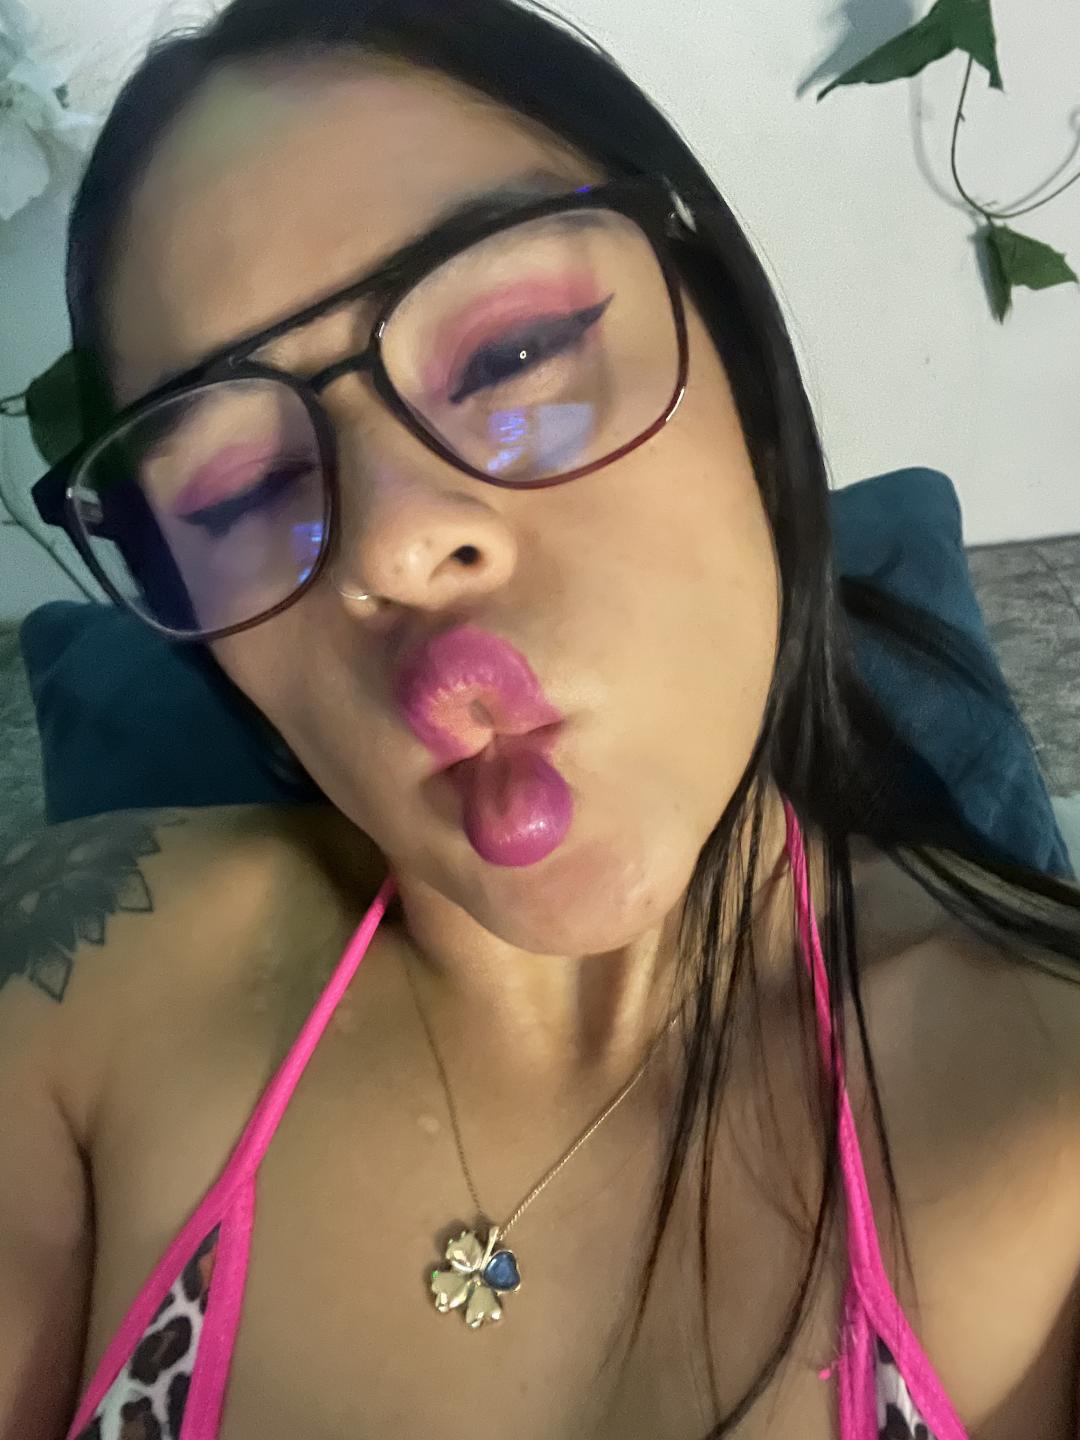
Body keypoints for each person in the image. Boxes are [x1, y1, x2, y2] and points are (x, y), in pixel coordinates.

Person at [2, 2, 1079, 1437]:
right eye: (240, 491)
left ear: (746, 379)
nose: (392, 546)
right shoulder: (76, 989)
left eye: (511, 356)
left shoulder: (1047, 1103)